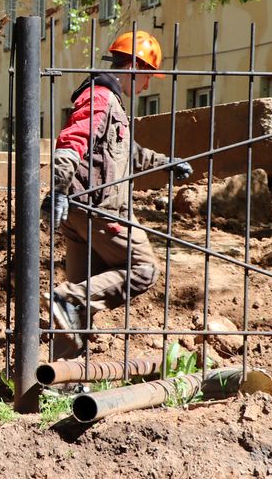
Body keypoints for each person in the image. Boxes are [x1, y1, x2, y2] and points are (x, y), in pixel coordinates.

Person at [45, 31, 192, 354]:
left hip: (81, 212)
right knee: (143, 269)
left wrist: (166, 163)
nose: (147, 85)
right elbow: (72, 142)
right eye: (147, 77)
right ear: (134, 67)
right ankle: (67, 297)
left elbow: (129, 151)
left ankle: (63, 377)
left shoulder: (110, 102)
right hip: (99, 209)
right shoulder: (100, 97)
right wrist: (57, 188)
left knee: (78, 306)